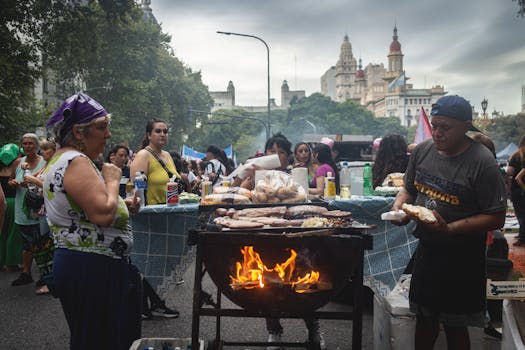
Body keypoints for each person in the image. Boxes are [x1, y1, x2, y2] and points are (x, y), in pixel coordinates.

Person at [391, 95, 507, 350]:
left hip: (463, 257)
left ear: (466, 126)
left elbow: (497, 216)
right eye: (434, 125)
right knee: (425, 318)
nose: (438, 133)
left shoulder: (482, 162)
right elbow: (408, 189)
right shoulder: (423, 151)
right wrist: (400, 207)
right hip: (428, 251)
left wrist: (450, 228)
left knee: (456, 325)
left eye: (446, 127)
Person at [44, 92, 142, 350]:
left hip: (88, 265)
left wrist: (123, 205)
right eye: (101, 128)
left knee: (96, 337)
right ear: (78, 132)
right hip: (92, 268)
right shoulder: (75, 161)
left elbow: (84, 210)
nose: (108, 135)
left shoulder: (67, 159)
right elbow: (102, 214)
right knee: (100, 340)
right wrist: (112, 179)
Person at [8, 133, 45, 287]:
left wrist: (32, 182)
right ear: (21, 146)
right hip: (22, 208)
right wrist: (13, 183)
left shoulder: (44, 162)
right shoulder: (17, 162)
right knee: (26, 241)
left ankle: (45, 275)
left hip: (39, 208)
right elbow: (10, 179)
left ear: (36, 146)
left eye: (31, 143)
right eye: (25, 144)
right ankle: (26, 273)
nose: (28, 146)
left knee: (42, 241)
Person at [23, 138, 57, 295]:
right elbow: (32, 176)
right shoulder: (46, 165)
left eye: (46, 149)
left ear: (54, 150)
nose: (42, 152)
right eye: (42, 149)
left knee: (49, 245)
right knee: (45, 242)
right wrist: (26, 170)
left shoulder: (55, 166)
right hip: (42, 210)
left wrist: (33, 180)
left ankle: (51, 280)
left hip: (49, 210)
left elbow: (51, 187)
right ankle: (48, 277)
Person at [130, 119, 181, 205]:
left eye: (165, 132)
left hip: (172, 209)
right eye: (158, 131)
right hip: (152, 212)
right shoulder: (143, 155)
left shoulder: (168, 155)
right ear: (149, 135)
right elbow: (135, 190)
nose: (162, 134)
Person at [0, 143, 23, 272]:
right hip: (14, 203)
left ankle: (2, 261)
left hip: (1, 202)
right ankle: (11, 262)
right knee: (14, 233)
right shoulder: (17, 169)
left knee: (2, 232)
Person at [506, 134, 525, 247]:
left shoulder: (516, 155)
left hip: (517, 190)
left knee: (521, 214)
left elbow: (509, 172)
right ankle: (522, 234)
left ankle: (522, 237)